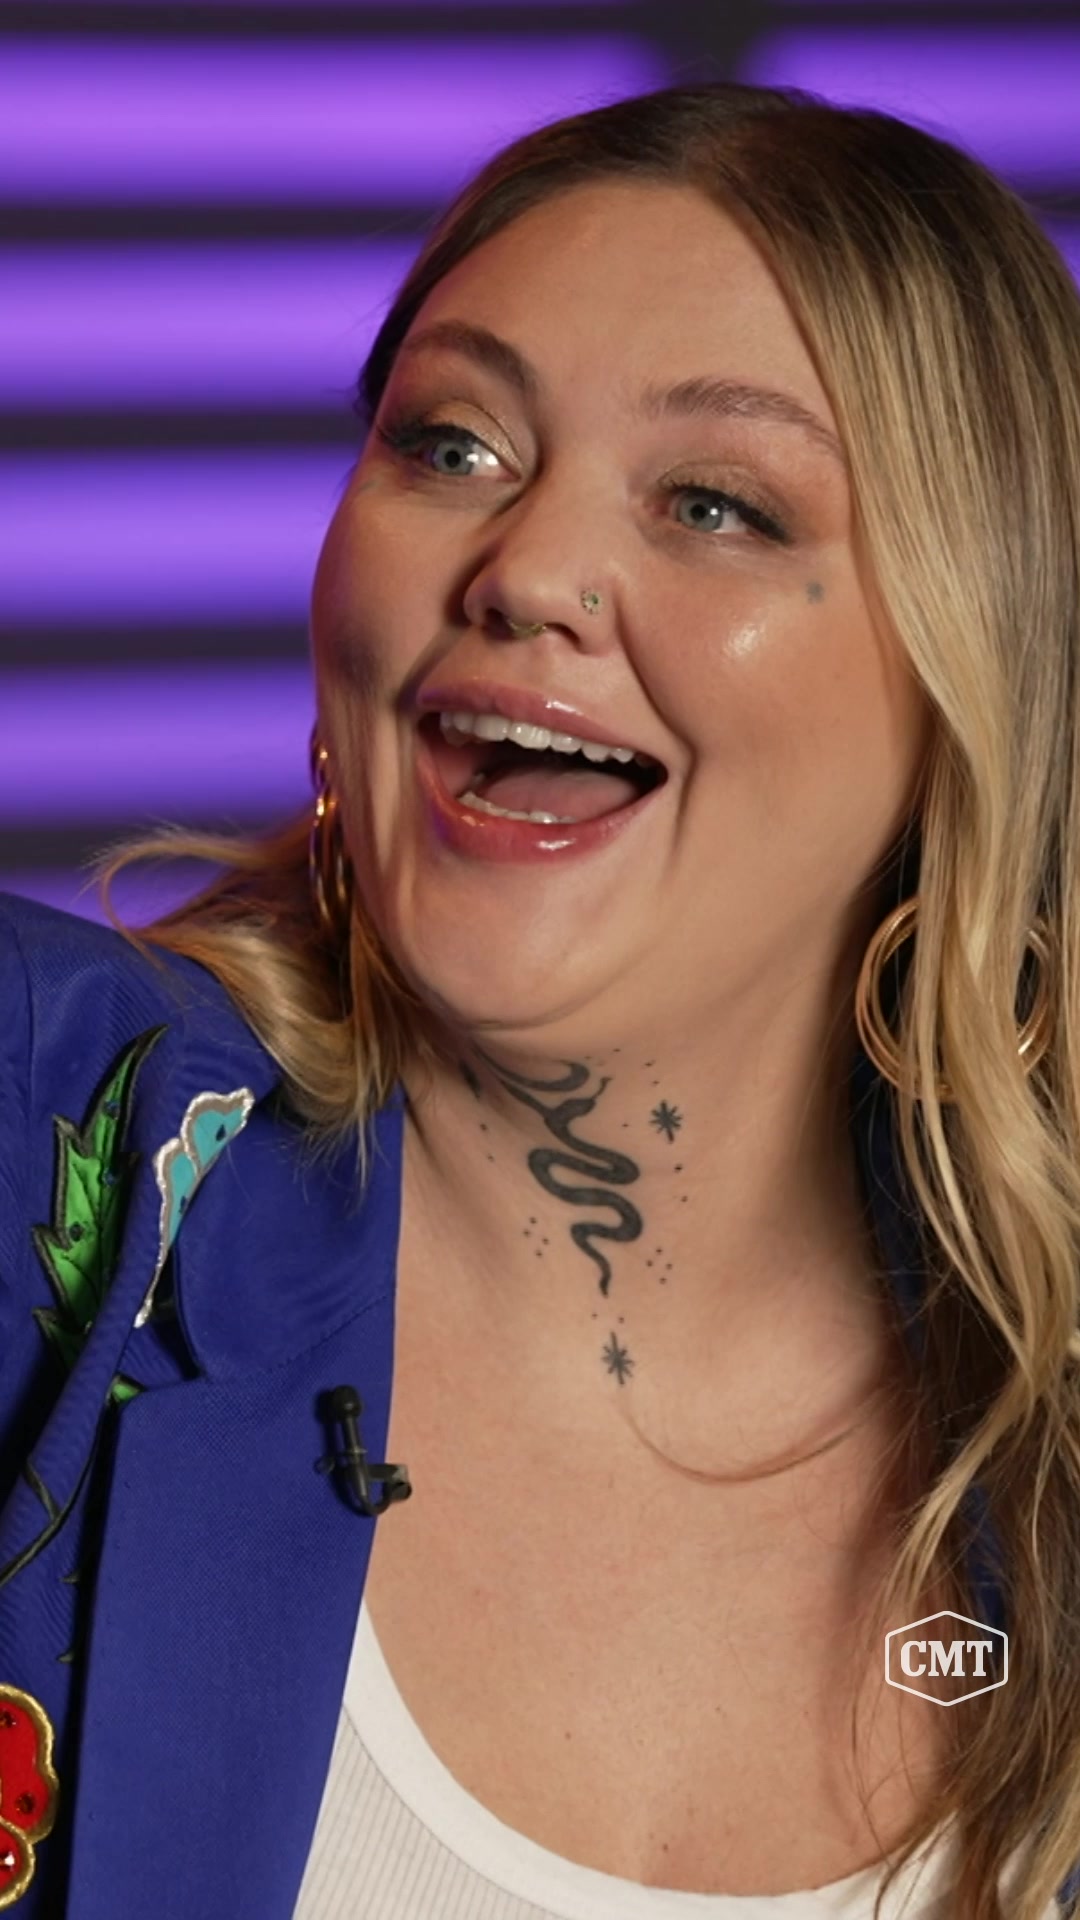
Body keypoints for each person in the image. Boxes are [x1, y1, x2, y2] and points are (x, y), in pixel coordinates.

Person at [1, 78, 1078, 1920]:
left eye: (717, 502)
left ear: (972, 675)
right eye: (451, 446)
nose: (524, 573)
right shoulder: (42, 1126)